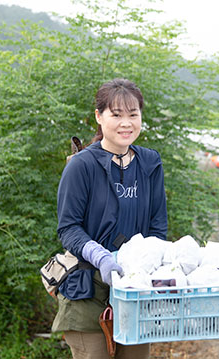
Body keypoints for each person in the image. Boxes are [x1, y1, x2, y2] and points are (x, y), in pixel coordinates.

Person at [51, 78, 168, 359]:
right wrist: (101, 256)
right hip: (87, 291)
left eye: (133, 114)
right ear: (99, 117)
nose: (126, 123)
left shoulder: (150, 163)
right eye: (116, 115)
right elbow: (68, 228)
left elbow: (157, 227)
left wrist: (148, 266)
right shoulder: (82, 166)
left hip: (135, 290)